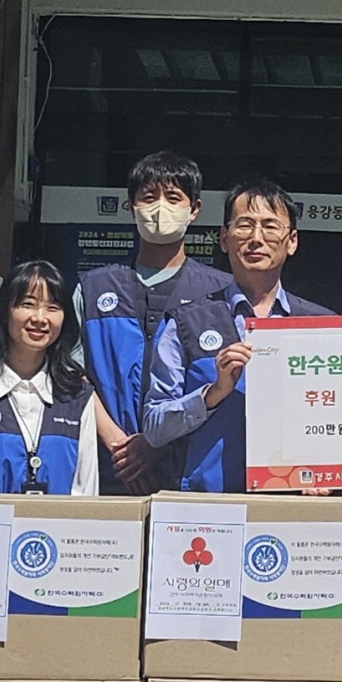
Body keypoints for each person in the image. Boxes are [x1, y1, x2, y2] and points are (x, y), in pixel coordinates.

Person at [142, 179, 334, 493]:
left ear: (292, 241)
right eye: (244, 225)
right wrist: (212, 394)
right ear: (224, 238)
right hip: (208, 509)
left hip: (298, 503)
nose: (257, 239)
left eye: (271, 227)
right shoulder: (187, 322)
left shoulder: (321, 326)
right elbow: (153, 427)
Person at [75, 152, 231, 493]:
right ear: (130, 206)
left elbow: (228, 387)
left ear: (195, 210)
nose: (160, 208)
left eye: (174, 198)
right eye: (149, 197)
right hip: (109, 469)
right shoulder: (92, 288)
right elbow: (71, 372)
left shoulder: (221, 293)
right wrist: (119, 445)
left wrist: (156, 442)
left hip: (193, 472)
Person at [0, 260, 111, 495]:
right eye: (28, 304)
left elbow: (86, 489)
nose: (40, 318)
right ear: (5, 312)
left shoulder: (77, 397)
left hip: (57, 530)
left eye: (52, 307)